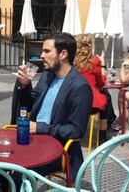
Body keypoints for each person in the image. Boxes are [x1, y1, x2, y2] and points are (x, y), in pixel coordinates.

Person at [16, 33, 92, 180]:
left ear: (63, 54)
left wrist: (40, 128)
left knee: (18, 173)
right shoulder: (47, 76)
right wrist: (25, 85)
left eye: (46, 51)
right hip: (31, 140)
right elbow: (31, 104)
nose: (41, 55)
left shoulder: (80, 87)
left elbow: (76, 131)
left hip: (58, 149)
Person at [73, 34, 117, 142]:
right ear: (89, 46)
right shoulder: (94, 61)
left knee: (105, 96)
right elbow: (101, 83)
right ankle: (102, 136)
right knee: (105, 97)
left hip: (74, 102)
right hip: (92, 104)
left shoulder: (71, 62)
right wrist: (102, 65)